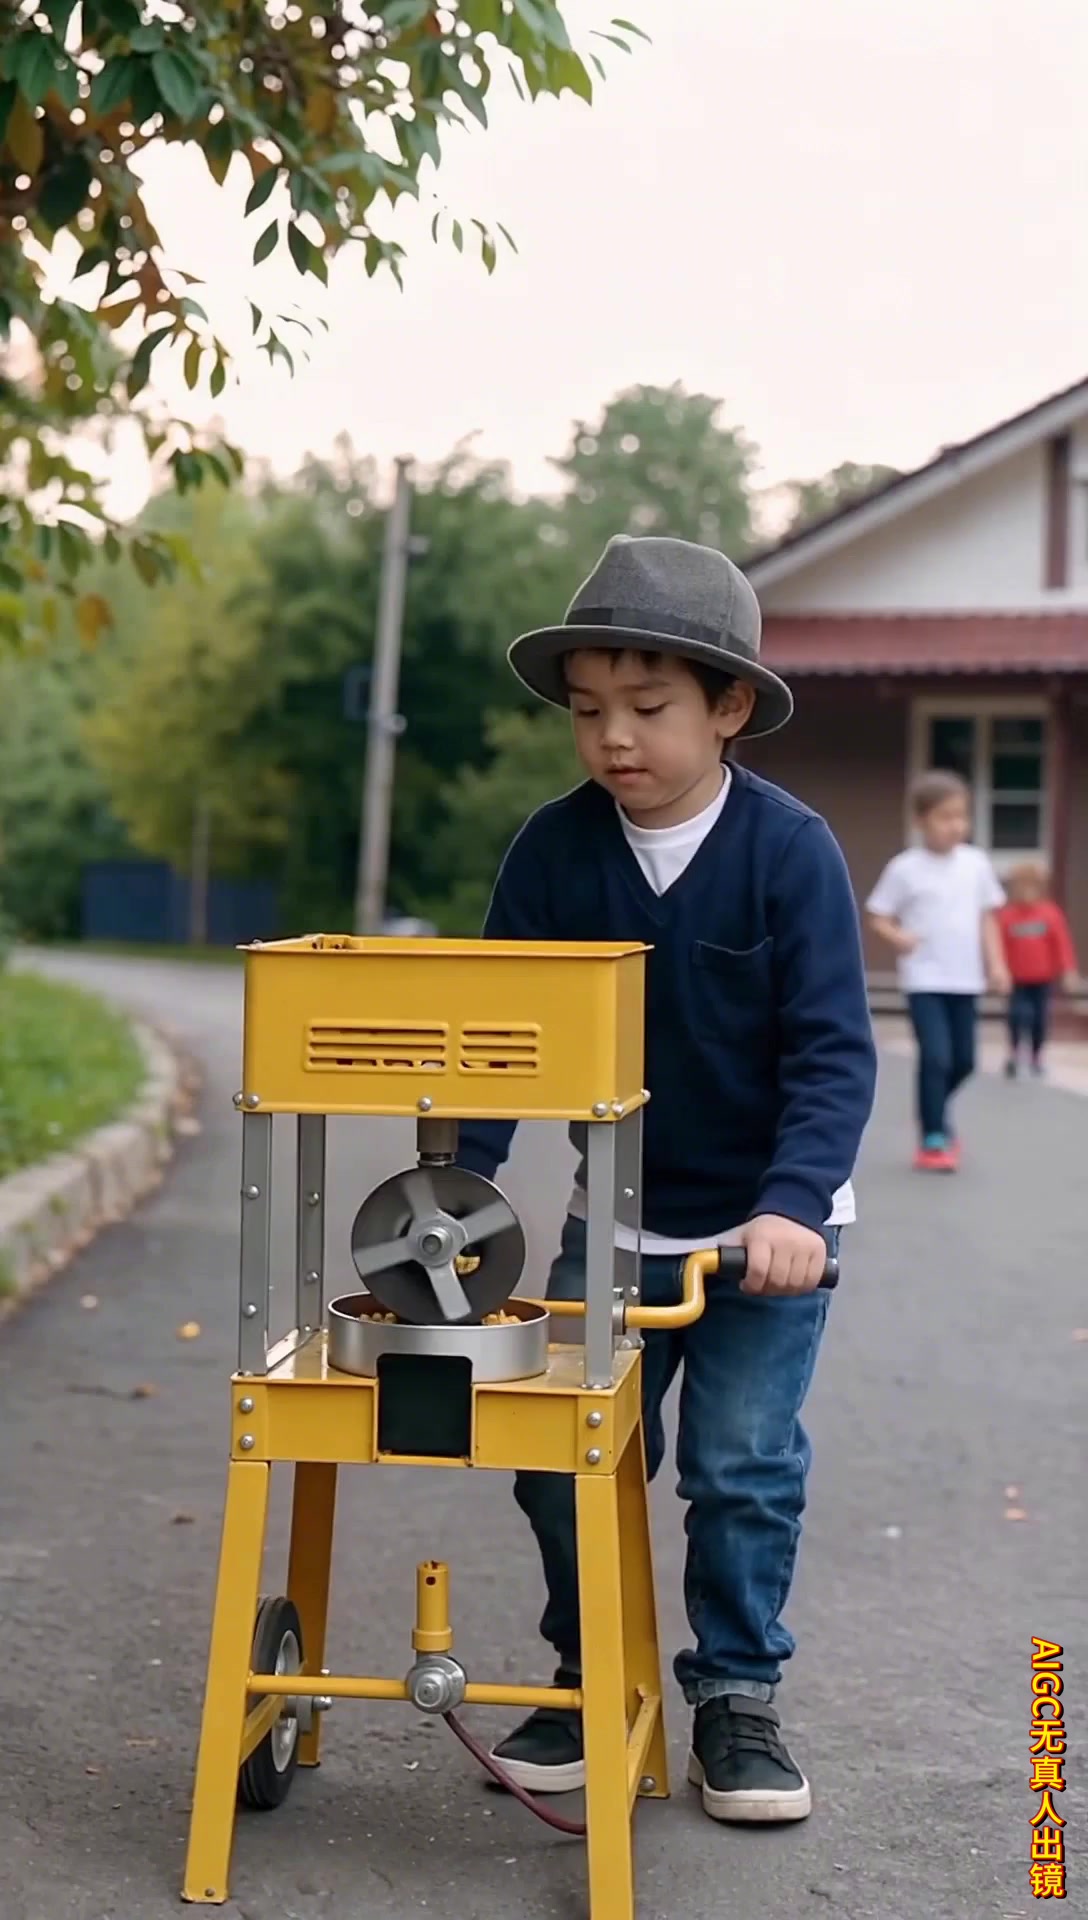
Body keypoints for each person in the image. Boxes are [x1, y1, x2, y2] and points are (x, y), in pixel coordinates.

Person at [454, 534, 877, 1826]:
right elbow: (505, 1041)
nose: (613, 738)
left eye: (647, 707)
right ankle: (592, 1675)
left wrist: (793, 1205)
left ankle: (736, 1696)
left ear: (728, 706)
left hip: (765, 1230)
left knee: (740, 1466)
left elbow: (832, 1052)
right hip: (619, 1222)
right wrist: (460, 1191)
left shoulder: (788, 851)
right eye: (589, 711)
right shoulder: (554, 852)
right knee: (557, 1459)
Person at [866, 769, 1009, 1172]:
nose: (955, 825)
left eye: (961, 816)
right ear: (921, 820)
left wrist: (998, 964)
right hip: (924, 978)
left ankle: (933, 1110)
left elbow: (987, 918)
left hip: (966, 979)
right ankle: (933, 1136)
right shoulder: (905, 868)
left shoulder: (975, 864)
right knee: (936, 1057)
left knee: (964, 1061)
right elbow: (878, 915)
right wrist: (898, 937)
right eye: (945, 817)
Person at [997, 862, 1079, 1078]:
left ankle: (1036, 1055)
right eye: (1021, 887)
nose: (1026, 892)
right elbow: (1000, 946)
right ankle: (1015, 1053)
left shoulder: (1050, 914)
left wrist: (1068, 970)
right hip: (1017, 979)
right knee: (1017, 1016)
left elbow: (1062, 944)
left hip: (1042, 979)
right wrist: (998, 971)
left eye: (1031, 887)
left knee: (1040, 1019)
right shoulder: (1007, 916)